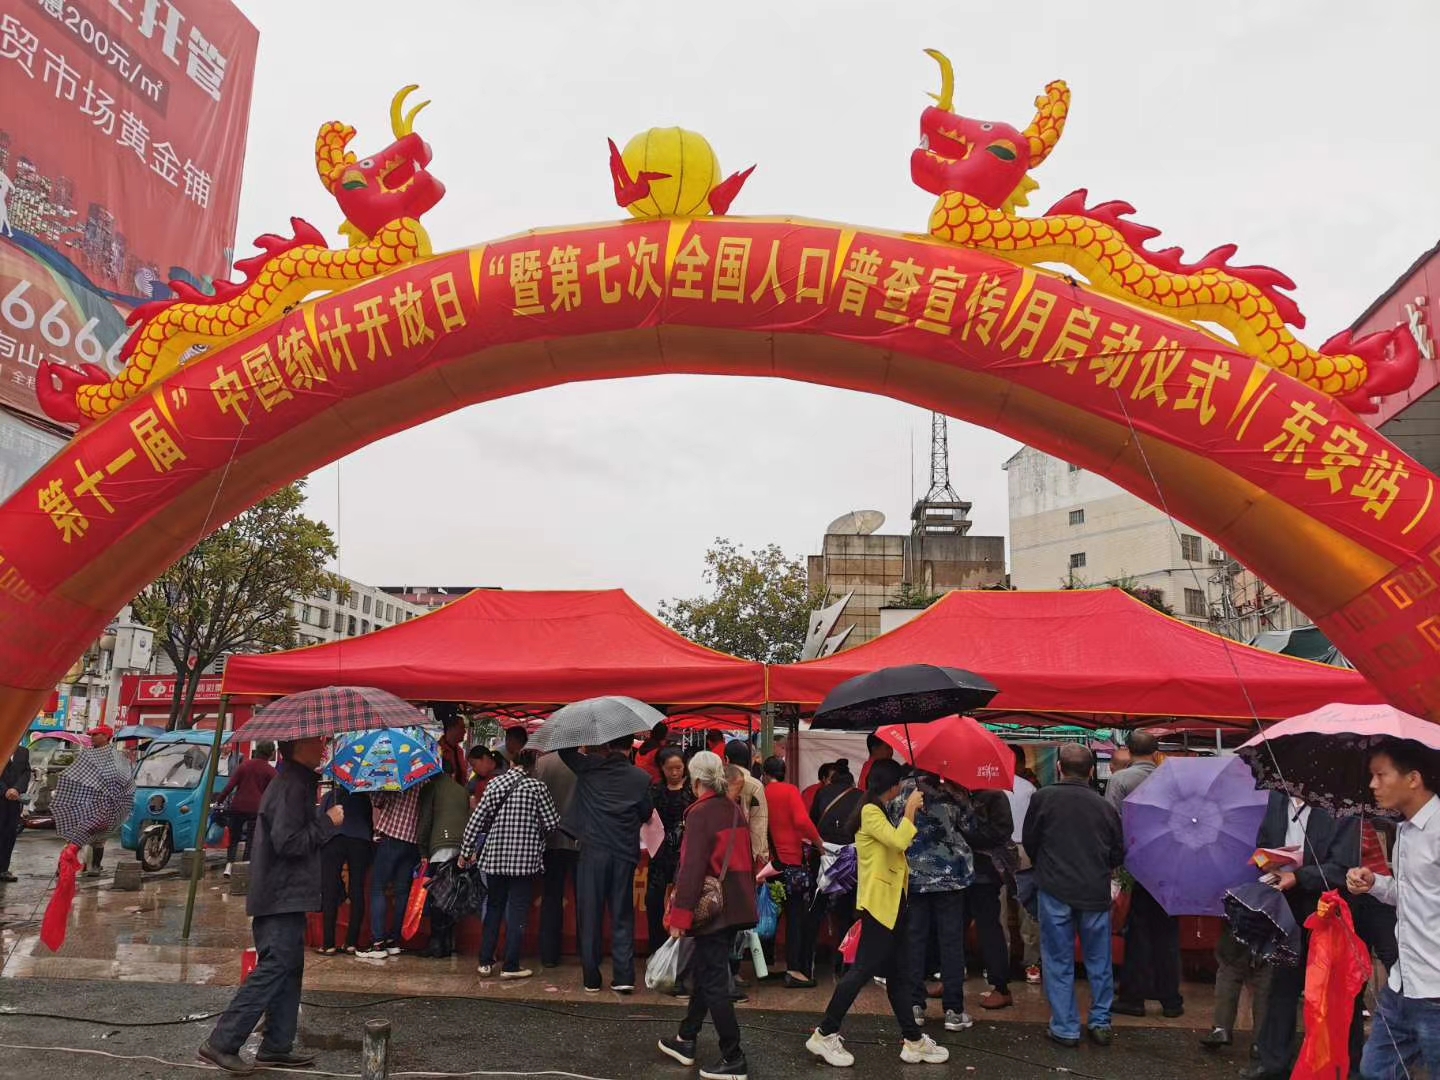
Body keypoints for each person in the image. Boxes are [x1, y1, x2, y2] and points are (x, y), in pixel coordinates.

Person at [198, 737, 343, 1074]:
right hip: (279, 894)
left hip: (287, 894)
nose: (320, 745)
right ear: (294, 747)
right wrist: (327, 822)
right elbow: (289, 842)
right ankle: (222, 1041)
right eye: (313, 740)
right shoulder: (291, 785)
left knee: (289, 969)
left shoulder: (298, 783)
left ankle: (277, 1044)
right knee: (276, 966)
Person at [805, 758, 948, 1068]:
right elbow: (898, 841)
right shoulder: (871, 811)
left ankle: (912, 1040)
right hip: (880, 905)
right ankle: (825, 1032)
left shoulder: (876, 809)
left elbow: (897, 846)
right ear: (893, 785)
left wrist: (910, 814)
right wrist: (910, 809)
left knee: (898, 974)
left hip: (892, 904)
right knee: (861, 971)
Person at [1245, 789, 1358, 1080]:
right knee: (1282, 985)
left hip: (1328, 911)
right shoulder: (1277, 798)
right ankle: (1273, 1063)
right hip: (1286, 910)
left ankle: (1343, 1065)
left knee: (1335, 990)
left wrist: (1298, 876)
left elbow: (1342, 867)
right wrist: (1266, 863)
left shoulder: (1342, 805)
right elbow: (1264, 843)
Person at [657, 750, 757, 1080]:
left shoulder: (699, 814)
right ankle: (687, 1037)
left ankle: (733, 1056)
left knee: (713, 980)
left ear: (696, 780)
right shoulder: (732, 809)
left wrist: (679, 918)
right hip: (734, 904)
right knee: (707, 971)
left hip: (711, 908)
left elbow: (691, 870)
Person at [1347, 738, 1440, 1080]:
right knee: (1375, 1070)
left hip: (1436, 992)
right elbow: (1414, 893)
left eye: (1381, 775)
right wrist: (1376, 884)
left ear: (1413, 778)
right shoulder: (1405, 830)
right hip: (1402, 986)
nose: (1373, 785)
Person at [1023, 744, 1124, 1049]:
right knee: (1099, 960)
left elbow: (1031, 841)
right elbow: (1117, 852)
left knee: (1058, 959)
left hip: (1054, 889)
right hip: (1094, 891)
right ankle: (1101, 1021)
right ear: (1092, 771)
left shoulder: (1043, 798)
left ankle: (1066, 1027)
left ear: (1058, 768)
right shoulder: (1105, 806)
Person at [560, 737, 653, 992]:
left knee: (590, 915)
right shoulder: (640, 777)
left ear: (608, 746)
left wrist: (582, 733)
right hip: (624, 853)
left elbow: (565, 752)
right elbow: (646, 813)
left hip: (593, 852)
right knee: (622, 914)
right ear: (628, 748)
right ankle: (623, 977)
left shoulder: (590, 766)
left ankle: (591, 977)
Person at [462, 749, 558, 979]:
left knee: (494, 908)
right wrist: (535, 833)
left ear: (513, 762)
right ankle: (511, 966)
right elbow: (552, 822)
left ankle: (485, 962)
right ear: (533, 766)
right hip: (524, 863)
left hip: (494, 860)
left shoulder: (495, 784)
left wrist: (466, 852)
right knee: (517, 913)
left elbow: (476, 821)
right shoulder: (537, 788)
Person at [1107, 732, 1184, 1019]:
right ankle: (1171, 1000)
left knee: (1137, 931)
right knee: (1167, 933)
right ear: (1156, 752)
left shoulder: (1120, 781)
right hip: (1170, 864)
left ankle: (1134, 997)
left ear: (1129, 750)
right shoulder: (1171, 781)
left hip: (1135, 863)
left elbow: (1112, 823)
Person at [893, 771, 973, 1031]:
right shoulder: (954, 787)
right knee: (951, 942)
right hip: (951, 878)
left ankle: (915, 1006)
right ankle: (953, 1010)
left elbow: (896, 824)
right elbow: (971, 826)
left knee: (914, 941)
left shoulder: (904, 788)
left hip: (914, 876)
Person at [761, 755, 824, 988]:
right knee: (795, 918)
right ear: (783, 773)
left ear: (766, 774)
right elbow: (801, 821)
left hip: (769, 865)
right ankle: (794, 969)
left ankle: (764, 963)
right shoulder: (789, 791)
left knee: (768, 912)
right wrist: (819, 843)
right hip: (791, 865)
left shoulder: (762, 792)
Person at [961, 782, 1017, 1010]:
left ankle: (1001, 987)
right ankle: (950, 977)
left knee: (988, 929)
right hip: (959, 871)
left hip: (985, 873)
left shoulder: (994, 796)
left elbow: (1002, 831)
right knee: (953, 927)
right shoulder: (957, 794)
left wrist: (967, 831)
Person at [358, 786, 421, 958]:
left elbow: (377, 801)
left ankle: (377, 943)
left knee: (378, 888)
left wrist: (374, 788)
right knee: (402, 892)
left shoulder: (393, 777)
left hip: (392, 836)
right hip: (412, 841)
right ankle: (394, 941)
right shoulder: (422, 780)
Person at [416, 761, 471, 958]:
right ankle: (448, 942)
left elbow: (425, 821)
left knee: (438, 898)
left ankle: (437, 944)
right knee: (452, 896)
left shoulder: (430, 788)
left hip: (439, 848)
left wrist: (422, 850)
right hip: (460, 849)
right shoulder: (462, 790)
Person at [646, 747, 695, 957]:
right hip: (659, 853)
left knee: (683, 904)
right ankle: (657, 950)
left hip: (685, 856)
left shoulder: (692, 791)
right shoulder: (655, 791)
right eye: (669, 769)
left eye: (678, 768)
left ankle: (682, 953)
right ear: (662, 769)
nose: (675, 773)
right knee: (655, 901)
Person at [534, 748, 579, 968]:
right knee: (585, 899)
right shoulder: (585, 763)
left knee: (551, 898)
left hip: (549, 840)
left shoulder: (541, 764)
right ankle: (586, 952)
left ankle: (549, 955)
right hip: (580, 840)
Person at [1199, 924, 1271, 1054]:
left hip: (1239, 920)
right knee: (1265, 977)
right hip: (1275, 923)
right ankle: (1261, 1040)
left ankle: (1222, 1028)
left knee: (1230, 968)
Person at [319, 785, 373, 955]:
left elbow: (321, 821)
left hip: (334, 840)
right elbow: (369, 823)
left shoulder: (330, 796)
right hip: (360, 841)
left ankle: (328, 944)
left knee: (329, 889)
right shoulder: (364, 797)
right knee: (357, 889)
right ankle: (351, 943)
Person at [1004, 743, 1041, 984]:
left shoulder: (989, 787)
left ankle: (999, 961)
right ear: (1019, 762)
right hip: (1025, 850)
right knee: (1028, 910)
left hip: (996, 851)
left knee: (998, 911)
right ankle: (1032, 964)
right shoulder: (1030, 788)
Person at [217, 741, 278, 878]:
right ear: (270, 753)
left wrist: (219, 801)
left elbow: (230, 786)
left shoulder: (244, 765)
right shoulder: (270, 771)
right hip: (256, 810)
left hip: (237, 807)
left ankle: (229, 866)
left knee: (234, 838)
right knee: (251, 839)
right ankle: (244, 867)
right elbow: (276, 792)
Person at [723, 741, 769, 871]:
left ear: (726, 759)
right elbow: (759, 822)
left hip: (719, 853)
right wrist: (760, 857)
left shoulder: (716, 782)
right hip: (744, 853)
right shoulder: (755, 785)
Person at [82, 725, 116, 875]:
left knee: (99, 837)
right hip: (85, 799)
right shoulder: (87, 754)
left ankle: (95, 866)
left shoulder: (113, 756)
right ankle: (67, 866)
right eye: (91, 735)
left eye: (96, 734)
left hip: (104, 801)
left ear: (105, 737)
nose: (92, 737)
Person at [0, 741, 30, 883]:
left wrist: (16, 789)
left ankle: (3, 869)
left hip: (14, 800)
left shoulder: (23, 751)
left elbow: (26, 772)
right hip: (1, 795)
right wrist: (5, 790)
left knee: (10, 834)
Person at [436, 708, 468, 789]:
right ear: (451, 728)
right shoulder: (437, 749)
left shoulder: (460, 751)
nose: (465, 731)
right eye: (462, 727)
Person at [467, 744, 497, 808]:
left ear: (485, 758)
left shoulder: (505, 773)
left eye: (474, 764)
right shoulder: (476, 780)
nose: (474, 770)